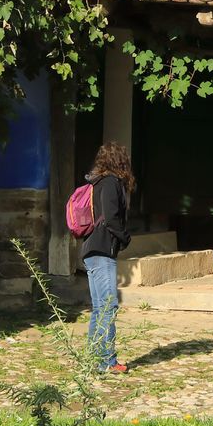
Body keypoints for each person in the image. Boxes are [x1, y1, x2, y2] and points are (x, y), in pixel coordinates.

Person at [82, 141, 134, 373]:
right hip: (103, 250)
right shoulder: (111, 183)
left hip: (92, 250)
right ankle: (106, 361)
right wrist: (124, 238)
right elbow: (112, 217)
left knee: (99, 307)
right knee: (107, 307)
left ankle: (94, 358)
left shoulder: (97, 182)